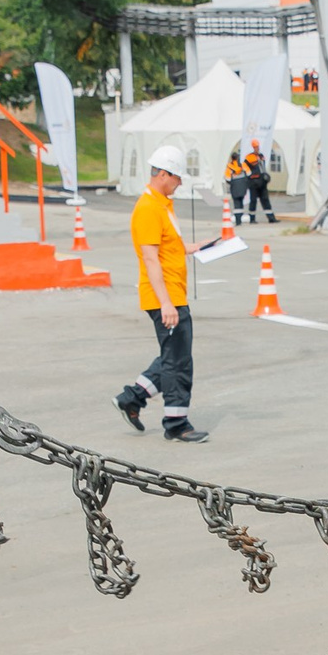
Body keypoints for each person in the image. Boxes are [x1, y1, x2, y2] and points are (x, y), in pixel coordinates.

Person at [114, 143, 210, 443]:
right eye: (178, 177)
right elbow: (150, 258)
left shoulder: (162, 205)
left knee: (175, 355)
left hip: (173, 294)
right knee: (177, 361)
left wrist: (195, 248)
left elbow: (169, 248)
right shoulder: (148, 208)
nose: (180, 183)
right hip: (164, 297)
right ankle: (176, 423)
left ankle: (132, 398)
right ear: (164, 174)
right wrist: (166, 303)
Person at [242, 140, 274, 223]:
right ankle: (252, 219)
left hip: (262, 181)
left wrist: (265, 175)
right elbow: (244, 166)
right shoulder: (249, 157)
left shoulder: (261, 156)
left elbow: (262, 167)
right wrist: (250, 175)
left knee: (265, 199)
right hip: (253, 182)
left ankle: (271, 218)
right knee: (253, 200)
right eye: (255, 147)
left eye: (257, 147)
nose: (257, 148)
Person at [223, 146, 249, 227]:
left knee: (236, 204)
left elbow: (227, 178)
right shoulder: (242, 165)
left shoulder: (229, 167)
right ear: (238, 158)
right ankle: (240, 219)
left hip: (234, 188)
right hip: (243, 187)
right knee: (241, 203)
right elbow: (249, 173)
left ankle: (238, 221)